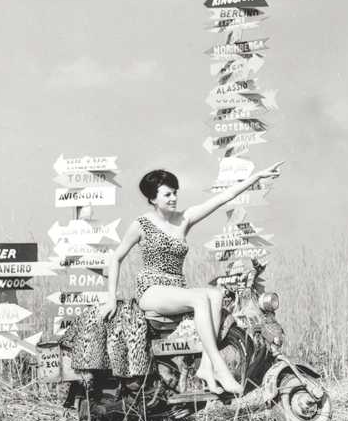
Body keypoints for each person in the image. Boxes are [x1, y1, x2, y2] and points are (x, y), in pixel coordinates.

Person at [101, 161, 283, 395]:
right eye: (167, 194)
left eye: (175, 193)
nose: (174, 198)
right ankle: (220, 369)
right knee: (200, 299)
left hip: (177, 289)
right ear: (153, 199)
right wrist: (110, 298)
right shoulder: (141, 224)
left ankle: (206, 368)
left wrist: (257, 176)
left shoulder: (184, 219)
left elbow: (223, 197)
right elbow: (115, 258)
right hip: (153, 290)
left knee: (215, 295)